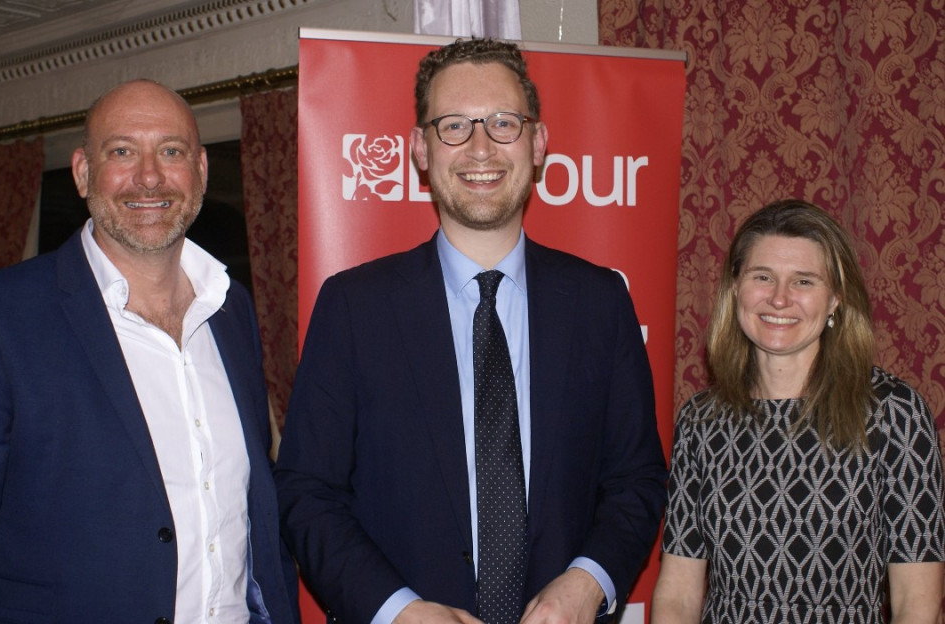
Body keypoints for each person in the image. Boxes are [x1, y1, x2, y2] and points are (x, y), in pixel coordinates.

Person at [276, 38, 667, 624]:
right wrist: (398, 612)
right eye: (454, 125)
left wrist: (589, 583)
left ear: (538, 143)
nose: (480, 148)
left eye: (504, 123)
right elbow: (308, 494)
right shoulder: (354, 307)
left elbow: (636, 480)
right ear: (421, 149)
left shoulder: (601, 302)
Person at [0, 79, 300, 623]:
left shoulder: (232, 311)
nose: (150, 176)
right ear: (84, 171)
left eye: (171, 151)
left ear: (201, 170)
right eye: (122, 151)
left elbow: (251, 509)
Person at [651, 199, 945, 623]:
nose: (780, 299)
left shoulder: (893, 413)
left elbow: (916, 603)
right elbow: (678, 594)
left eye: (804, 281)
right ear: (735, 288)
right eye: (763, 277)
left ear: (835, 300)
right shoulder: (702, 420)